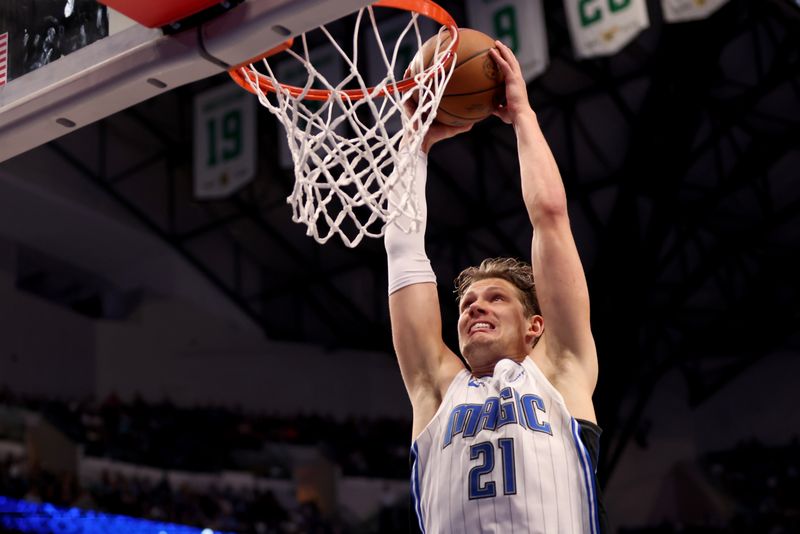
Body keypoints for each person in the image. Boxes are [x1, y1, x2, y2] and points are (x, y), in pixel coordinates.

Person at [384, 41, 607, 533]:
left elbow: (549, 219)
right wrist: (412, 145)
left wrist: (523, 115)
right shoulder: (438, 389)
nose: (473, 308)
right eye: (465, 302)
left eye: (494, 297)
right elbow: (403, 252)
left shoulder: (560, 370)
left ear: (536, 325)